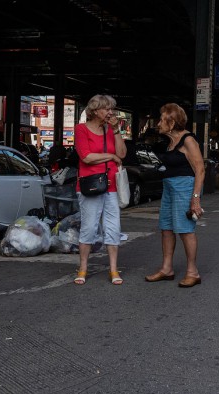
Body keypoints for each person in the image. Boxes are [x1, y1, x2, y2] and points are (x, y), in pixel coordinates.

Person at [145, 103, 205, 288]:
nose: (159, 123)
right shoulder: (170, 142)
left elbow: (200, 169)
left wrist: (195, 199)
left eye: (162, 119)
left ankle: (193, 272)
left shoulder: (187, 140)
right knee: (166, 228)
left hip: (184, 187)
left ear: (172, 122)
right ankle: (167, 269)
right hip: (169, 187)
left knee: (185, 229)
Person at [74, 94, 127, 285]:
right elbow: (86, 157)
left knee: (113, 228)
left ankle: (114, 270)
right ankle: (83, 268)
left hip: (111, 185)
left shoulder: (110, 130)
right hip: (90, 185)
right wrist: (111, 157)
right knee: (89, 227)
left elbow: (122, 154)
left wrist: (116, 130)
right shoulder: (81, 129)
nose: (110, 112)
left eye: (112, 109)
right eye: (106, 109)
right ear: (95, 110)